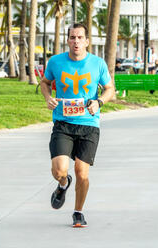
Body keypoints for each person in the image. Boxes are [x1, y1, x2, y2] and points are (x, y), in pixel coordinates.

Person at [40, 23, 114, 228]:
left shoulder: (98, 64)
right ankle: (63, 184)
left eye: (80, 38)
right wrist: (48, 98)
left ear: (87, 41)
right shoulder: (56, 62)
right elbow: (45, 82)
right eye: (72, 37)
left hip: (89, 124)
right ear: (68, 40)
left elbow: (109, 89)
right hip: (63, 123)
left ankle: (78, 212)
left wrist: (98, 102)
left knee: (82, 173)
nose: (76, 41)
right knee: (59, 170)